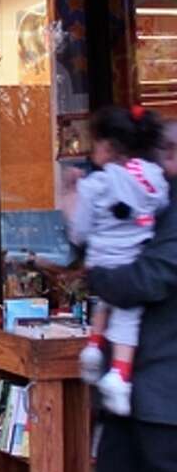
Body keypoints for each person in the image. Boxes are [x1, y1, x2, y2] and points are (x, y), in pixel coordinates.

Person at [67, 118, 177, 472]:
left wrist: (98, 274)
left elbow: (149, 280)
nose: (168, 160)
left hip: (169, 395)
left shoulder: (167, 210)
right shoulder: (144, 195)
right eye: (166, 150)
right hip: (128, 395)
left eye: (174, 152)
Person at [63, 106, 168, 415]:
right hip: (132, 259)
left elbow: (80, 231)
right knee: (127, 322)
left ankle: (97, 350)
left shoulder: (96, 184)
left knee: (105, 307)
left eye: (94, 143)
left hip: (102, 262)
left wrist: (71, 195)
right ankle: (119, 374)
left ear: (107, 146)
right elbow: (159, 207)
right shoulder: (151, 177)